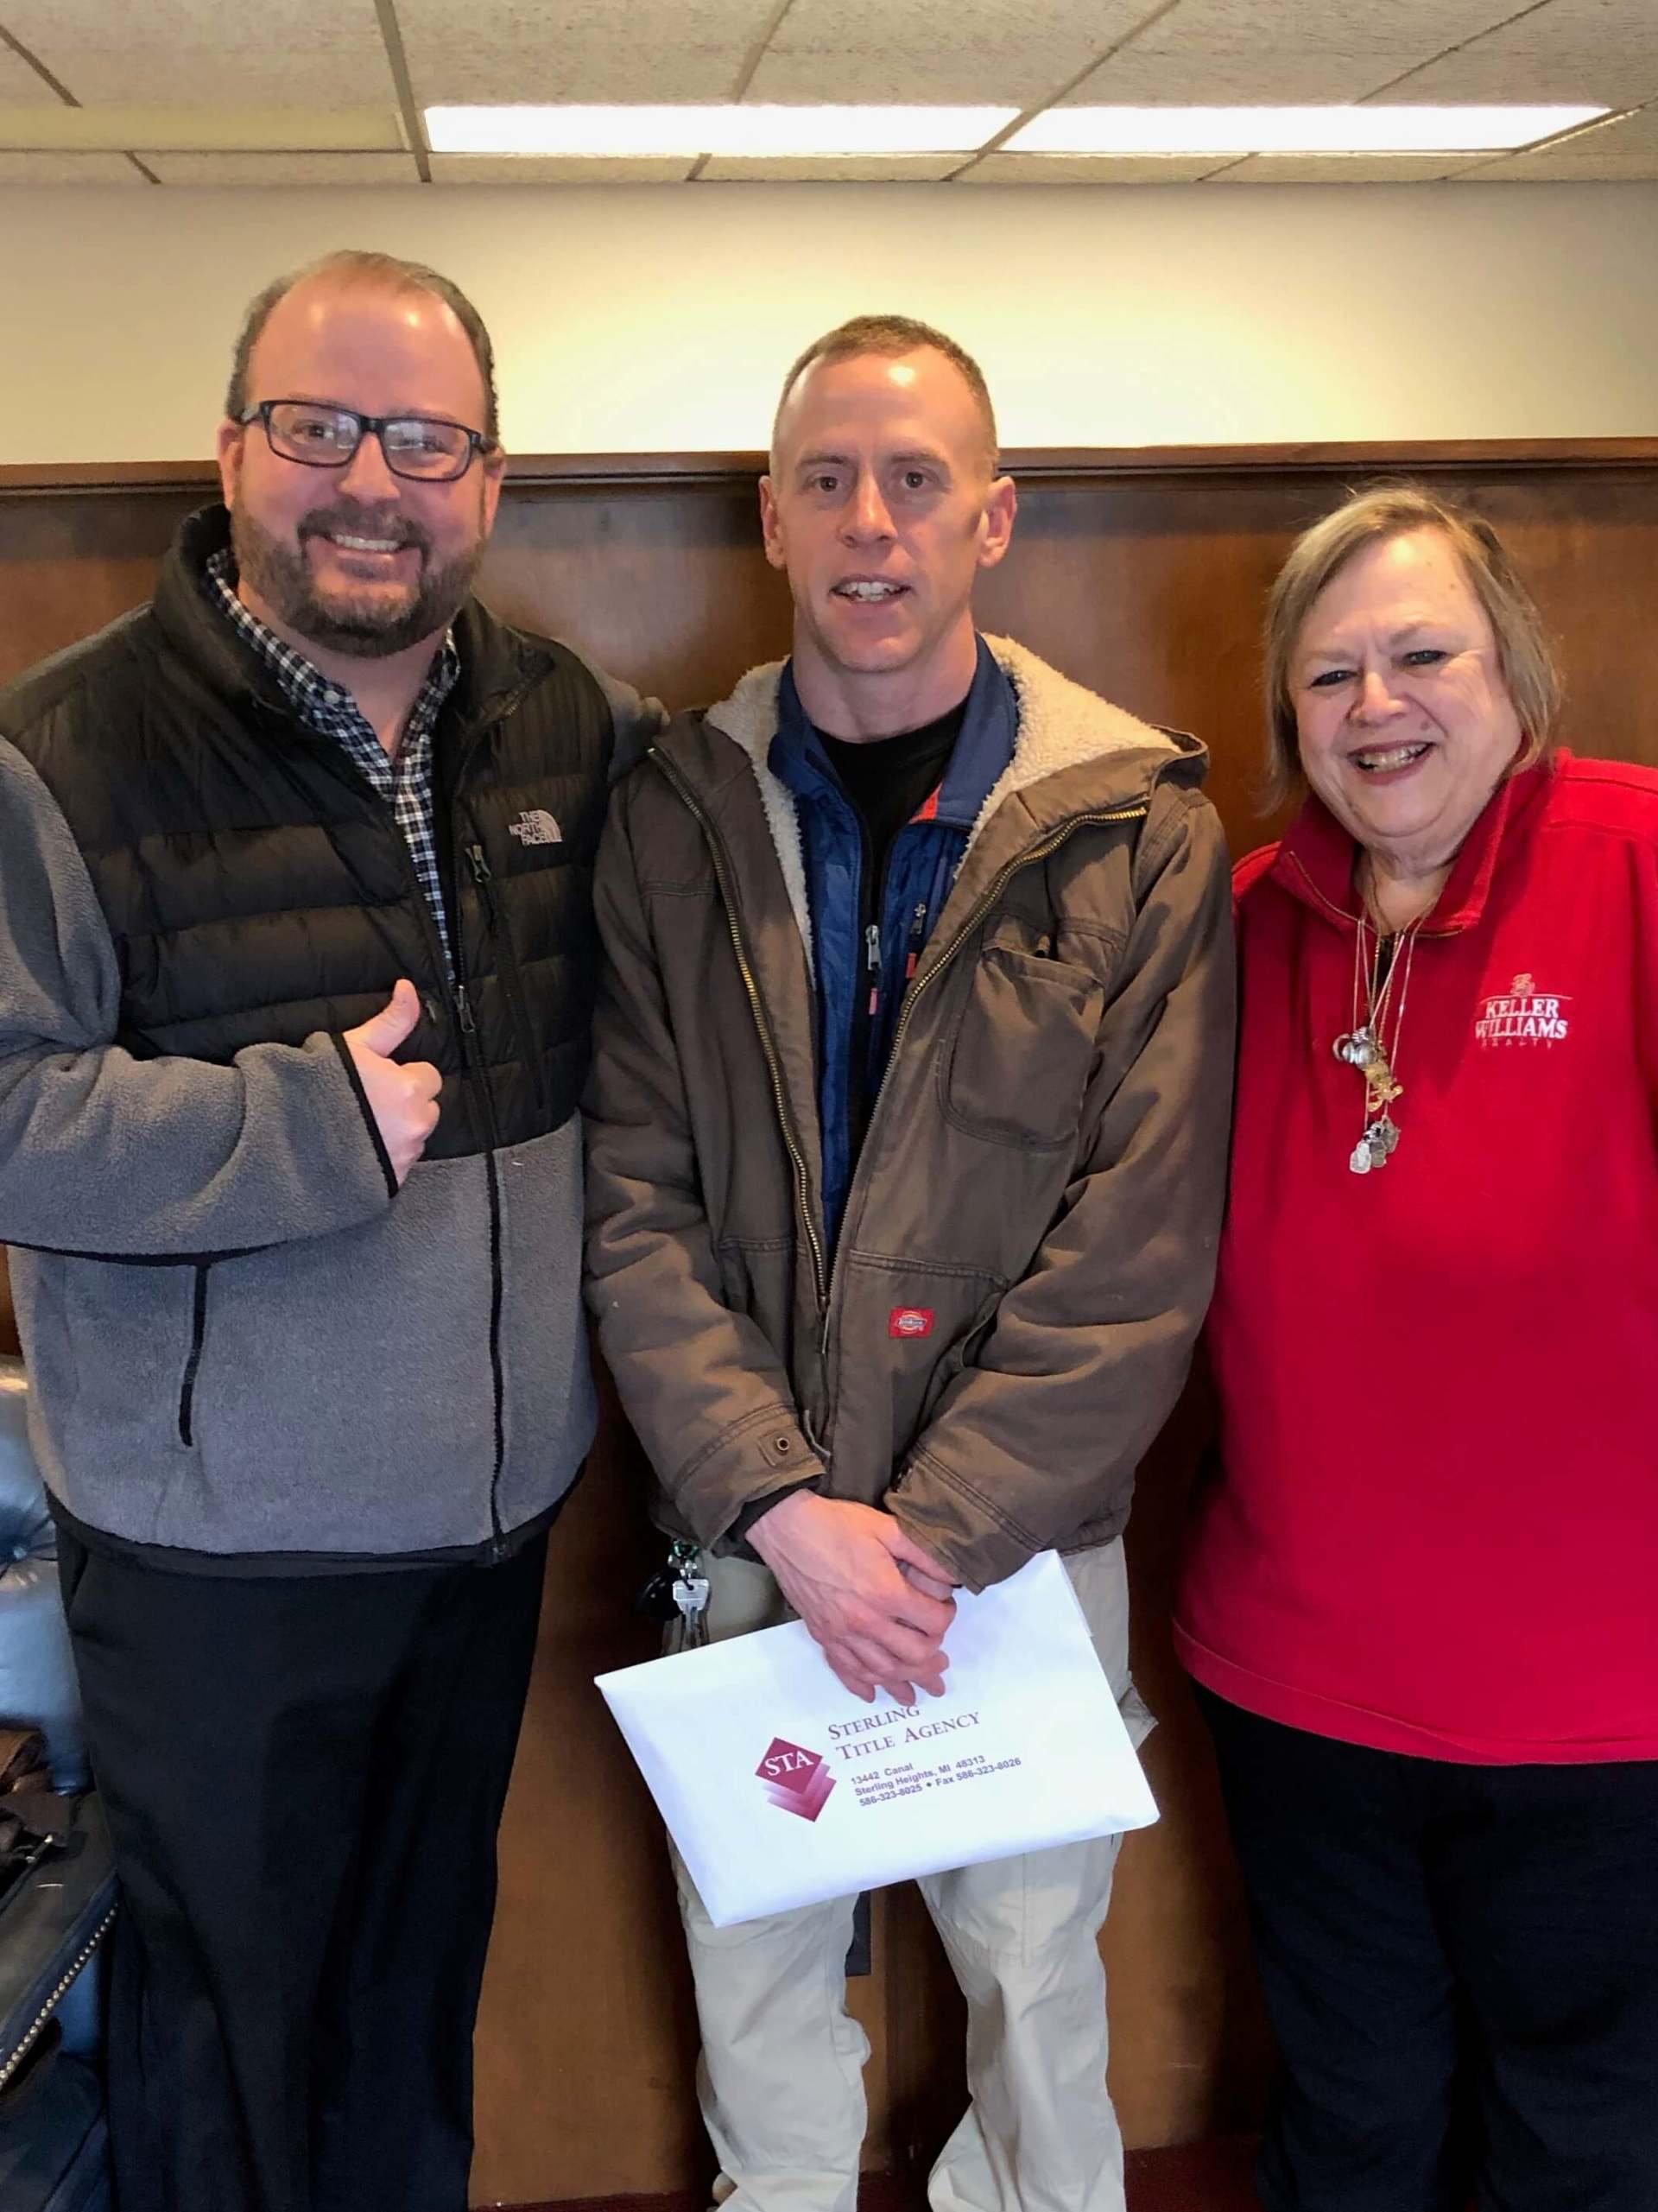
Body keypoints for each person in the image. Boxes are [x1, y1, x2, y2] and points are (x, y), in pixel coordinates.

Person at [0, 248, 661, 2212]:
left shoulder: (571, 725)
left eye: (425, 438)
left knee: (405, 2016)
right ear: (231, 452)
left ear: (490, 477)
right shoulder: (61, 753)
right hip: (217, 1560)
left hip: (481, 1529)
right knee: (228, 2057)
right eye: (318, 426)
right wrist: (301, 1127)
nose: (369, 477)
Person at [585, 314, 1234, 2212]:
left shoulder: (1138, 837)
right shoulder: (671, 820)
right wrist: (790, 1512)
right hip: (758, 1537)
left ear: (995, 518)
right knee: (755, 1998)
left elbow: (1136, 1252)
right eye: (829, 480)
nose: (874, 523)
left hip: (1014, 1567)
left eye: (919, 480)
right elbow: (634, 1208)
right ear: (770, 519)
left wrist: (926, 1546)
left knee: (1039, 1993)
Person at [1176, 487, 1658, 2212]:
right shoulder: (1233, 925)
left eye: (1420, 656)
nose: (1376, 708)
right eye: (1329, 677)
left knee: (1590, 2139)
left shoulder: (1634, 857)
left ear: (1513, 669)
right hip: (1304, 1689)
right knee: (1355, 2125)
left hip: (1604, 1716)